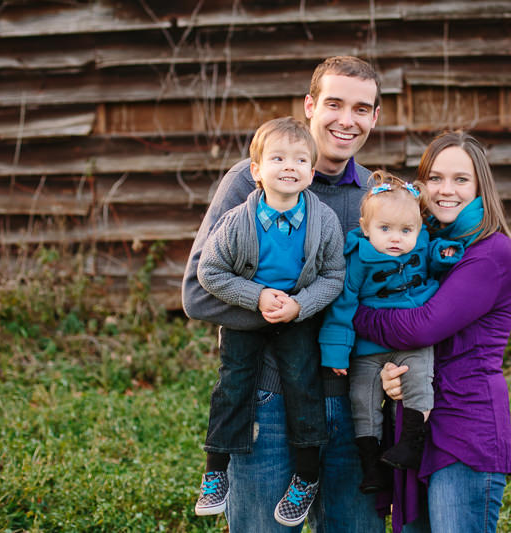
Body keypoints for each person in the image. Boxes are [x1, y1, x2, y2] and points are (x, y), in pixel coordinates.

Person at [182, 56, 385, 533]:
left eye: (361, 108)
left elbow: (390, 298)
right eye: (334, 104)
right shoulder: (249, 183)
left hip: (353, 400)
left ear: (375, 117)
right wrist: (281, 308)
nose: (346, 120)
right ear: (310, 106)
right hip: (267, 397)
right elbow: (197, 292)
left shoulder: (377, 195)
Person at [352, 131, 511, 533]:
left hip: (465, 424)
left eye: (460, 179)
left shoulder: (491, 252)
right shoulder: (419, 246)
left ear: (480, 185)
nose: (445, 190)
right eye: (434, 178)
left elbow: (423, 326)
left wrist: (350, 314)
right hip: (417, 423)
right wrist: (389, 370)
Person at [194, 117, 345, 527]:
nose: (289, 166)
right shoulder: (237, 222)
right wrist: (256, 296)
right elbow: (209, 272)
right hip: (248, 315)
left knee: (303, 386)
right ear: (256, 170)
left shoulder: (324, 221)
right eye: (277, 158)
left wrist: (300, 306)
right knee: (233, 383)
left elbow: (334, 276)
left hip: (296, 317)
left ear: (311, 173)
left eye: (299, 159)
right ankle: (215, 470)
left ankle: (307, 476)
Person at [319, 170, 459, 494]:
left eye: (406, 230)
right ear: (366, 229)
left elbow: (435, 264)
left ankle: (411, 443)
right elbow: (342, 306)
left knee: (420, 378)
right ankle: (372, 466)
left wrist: (442, 255)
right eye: (385, 229)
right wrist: (336, 353)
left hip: (412, 337)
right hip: (368, 346)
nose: (396, 239)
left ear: (419, 229)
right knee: (361, 397)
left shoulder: (420, 246)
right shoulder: (357, 260)